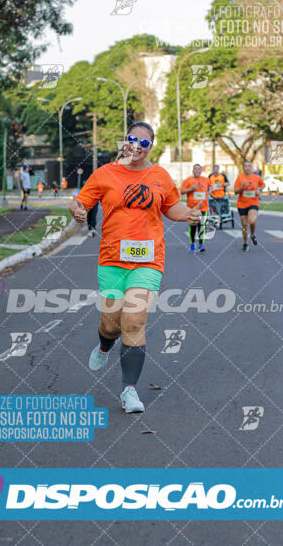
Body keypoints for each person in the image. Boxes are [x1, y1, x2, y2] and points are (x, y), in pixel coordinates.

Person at [69, 121, 201, 413]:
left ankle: (129, 391)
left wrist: (188, 214)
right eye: (132, 139)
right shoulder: (106, 173)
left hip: (148, 261)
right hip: (112, 260)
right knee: (111, 323)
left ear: (151, 146)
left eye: (145, 142)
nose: (137, 146)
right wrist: (77, 210)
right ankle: (104, 346)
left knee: (134, 321)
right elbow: (81, 201)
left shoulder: (160, 176)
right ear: (124, 141)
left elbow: (171, 206)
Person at [234, 160, 265, 252]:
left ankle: (252, 235)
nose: (247, 168)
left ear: (251, 167)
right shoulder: (240, 178)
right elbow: (235, 191)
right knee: (244, 224)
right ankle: (245, 243)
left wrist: (259, 190)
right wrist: (242, 187)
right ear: (243, 168)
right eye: (245, 166)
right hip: (242, 204)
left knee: (252, 221)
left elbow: (262, 185)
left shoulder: (256, 177)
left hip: (253, 202)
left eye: (249, 166)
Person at [181, 164, 212, 253]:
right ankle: (192, 243)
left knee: (202, 226)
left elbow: (211, 187)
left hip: (204, 207)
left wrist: (210, 191)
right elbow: (182, 192)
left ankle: (201, 245)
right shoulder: (188, 180)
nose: (197, 171)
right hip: (192, 208)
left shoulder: (206, 179)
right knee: (193, 226)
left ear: (201, 170)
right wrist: (191, 189)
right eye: (195, 169)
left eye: (199, 169)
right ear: (193, 170)